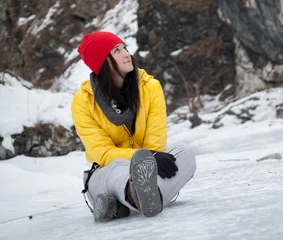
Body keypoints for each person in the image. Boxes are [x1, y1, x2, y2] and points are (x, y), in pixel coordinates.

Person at [72, 31, 196, 222]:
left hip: (148, 167)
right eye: (116, 51)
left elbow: (156, 139)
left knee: (185, 154)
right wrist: (145, 157)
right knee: (118, 168)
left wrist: (152, 156)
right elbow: (103, 153)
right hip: (106, 174)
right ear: (102, 61)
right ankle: (137, 195)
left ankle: (123, 208)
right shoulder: (83, 102)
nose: (126, 54)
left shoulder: (150, 87)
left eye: (125, 48)